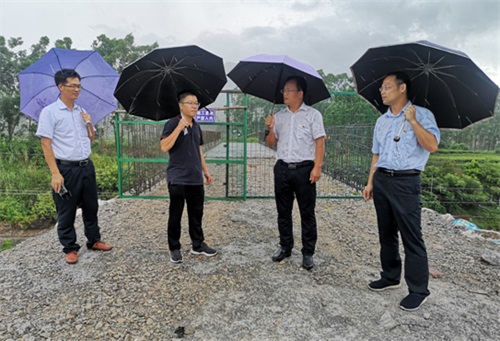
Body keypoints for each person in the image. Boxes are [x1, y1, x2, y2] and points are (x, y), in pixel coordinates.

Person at [362, 71, 440, 311]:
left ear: (402, 88)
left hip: (406, 182)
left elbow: (432, 146)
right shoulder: (382, 120)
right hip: (383, 179)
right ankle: (390, 276)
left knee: (411, 237)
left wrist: (414, 122)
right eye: (381, 88)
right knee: (386, 233)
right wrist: (370, 182)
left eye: (386, 87)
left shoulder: (422, 115)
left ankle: (418, 290)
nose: (382, 91)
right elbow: (377, 153)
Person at [36, 69, 112, 265]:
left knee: (91, 206)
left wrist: (89, 123)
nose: (77, 89)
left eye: (79, 86)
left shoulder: (81, 111)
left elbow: (91, 138)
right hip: (66, 169)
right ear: (61, 87)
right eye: (73, 86)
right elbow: (46, 143)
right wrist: (55, 173)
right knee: (66, 210)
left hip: (86, 166)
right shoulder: (50, 112)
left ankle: (94, 240)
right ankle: (70, 248)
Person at [264, 75, 326, 270]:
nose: (285, 94)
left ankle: (308, 252)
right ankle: (285, 246)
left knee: (307, 213)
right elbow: (271, 143)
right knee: (283, 212)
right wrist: (270, 128)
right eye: (284, 90)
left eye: (289, 90)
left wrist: (317, 166)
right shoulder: (279, 116)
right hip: (282, 168)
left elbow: (320, 141)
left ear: (300, 93)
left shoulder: (313, 115)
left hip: (304, 170)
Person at [160, 91, 217, 264]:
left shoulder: (196, 126)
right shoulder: (172, 123)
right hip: (178, 178)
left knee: (196, 213)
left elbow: (199, 150)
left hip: (195, 178)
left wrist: (205, 171)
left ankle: (197, 244)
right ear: (180, 105)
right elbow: (164, 146)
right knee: (176, 214)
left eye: (196, 103)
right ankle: (174, 248)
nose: (194, 106)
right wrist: (179, 128)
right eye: (190, 103)